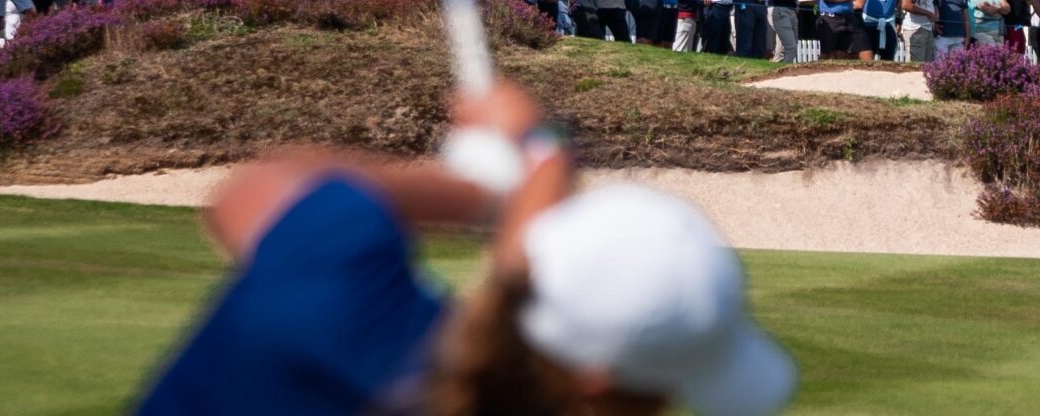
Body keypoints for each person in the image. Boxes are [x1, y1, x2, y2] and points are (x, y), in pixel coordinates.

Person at [134, 78, 793, 416]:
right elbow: (518, 294)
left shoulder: (338, 298)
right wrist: (538, 165)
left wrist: (486, 184)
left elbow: (254, 193)